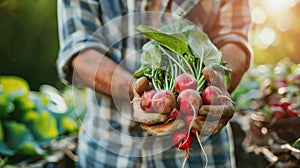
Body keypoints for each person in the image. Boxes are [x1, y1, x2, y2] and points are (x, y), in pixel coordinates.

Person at [56, 0, 252, 167]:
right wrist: (137, 92)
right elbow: (80, 51)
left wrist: (218, 85)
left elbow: (233, 39)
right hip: (108, 152)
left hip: (203, 154)